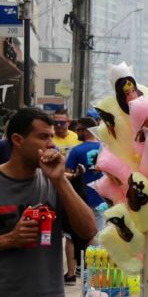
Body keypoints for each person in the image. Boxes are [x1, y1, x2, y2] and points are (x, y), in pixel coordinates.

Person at [0, 108, 97, 295]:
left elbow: (88, 231)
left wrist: (60, 179)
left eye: (51, 137)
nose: (51, 144)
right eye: (43, 137)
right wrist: (9, 239)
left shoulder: (55, 182)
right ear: (18, 140)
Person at [64, 117, 103, 284]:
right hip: (101, 198)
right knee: (96, 235)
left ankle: (71, 274)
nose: (76, 132)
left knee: (71, 236)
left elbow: (66, 173)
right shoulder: (105, 149)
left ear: (86, 130)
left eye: (79, 129)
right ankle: (91, 273)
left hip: (80, 198)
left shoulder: (76, 151)